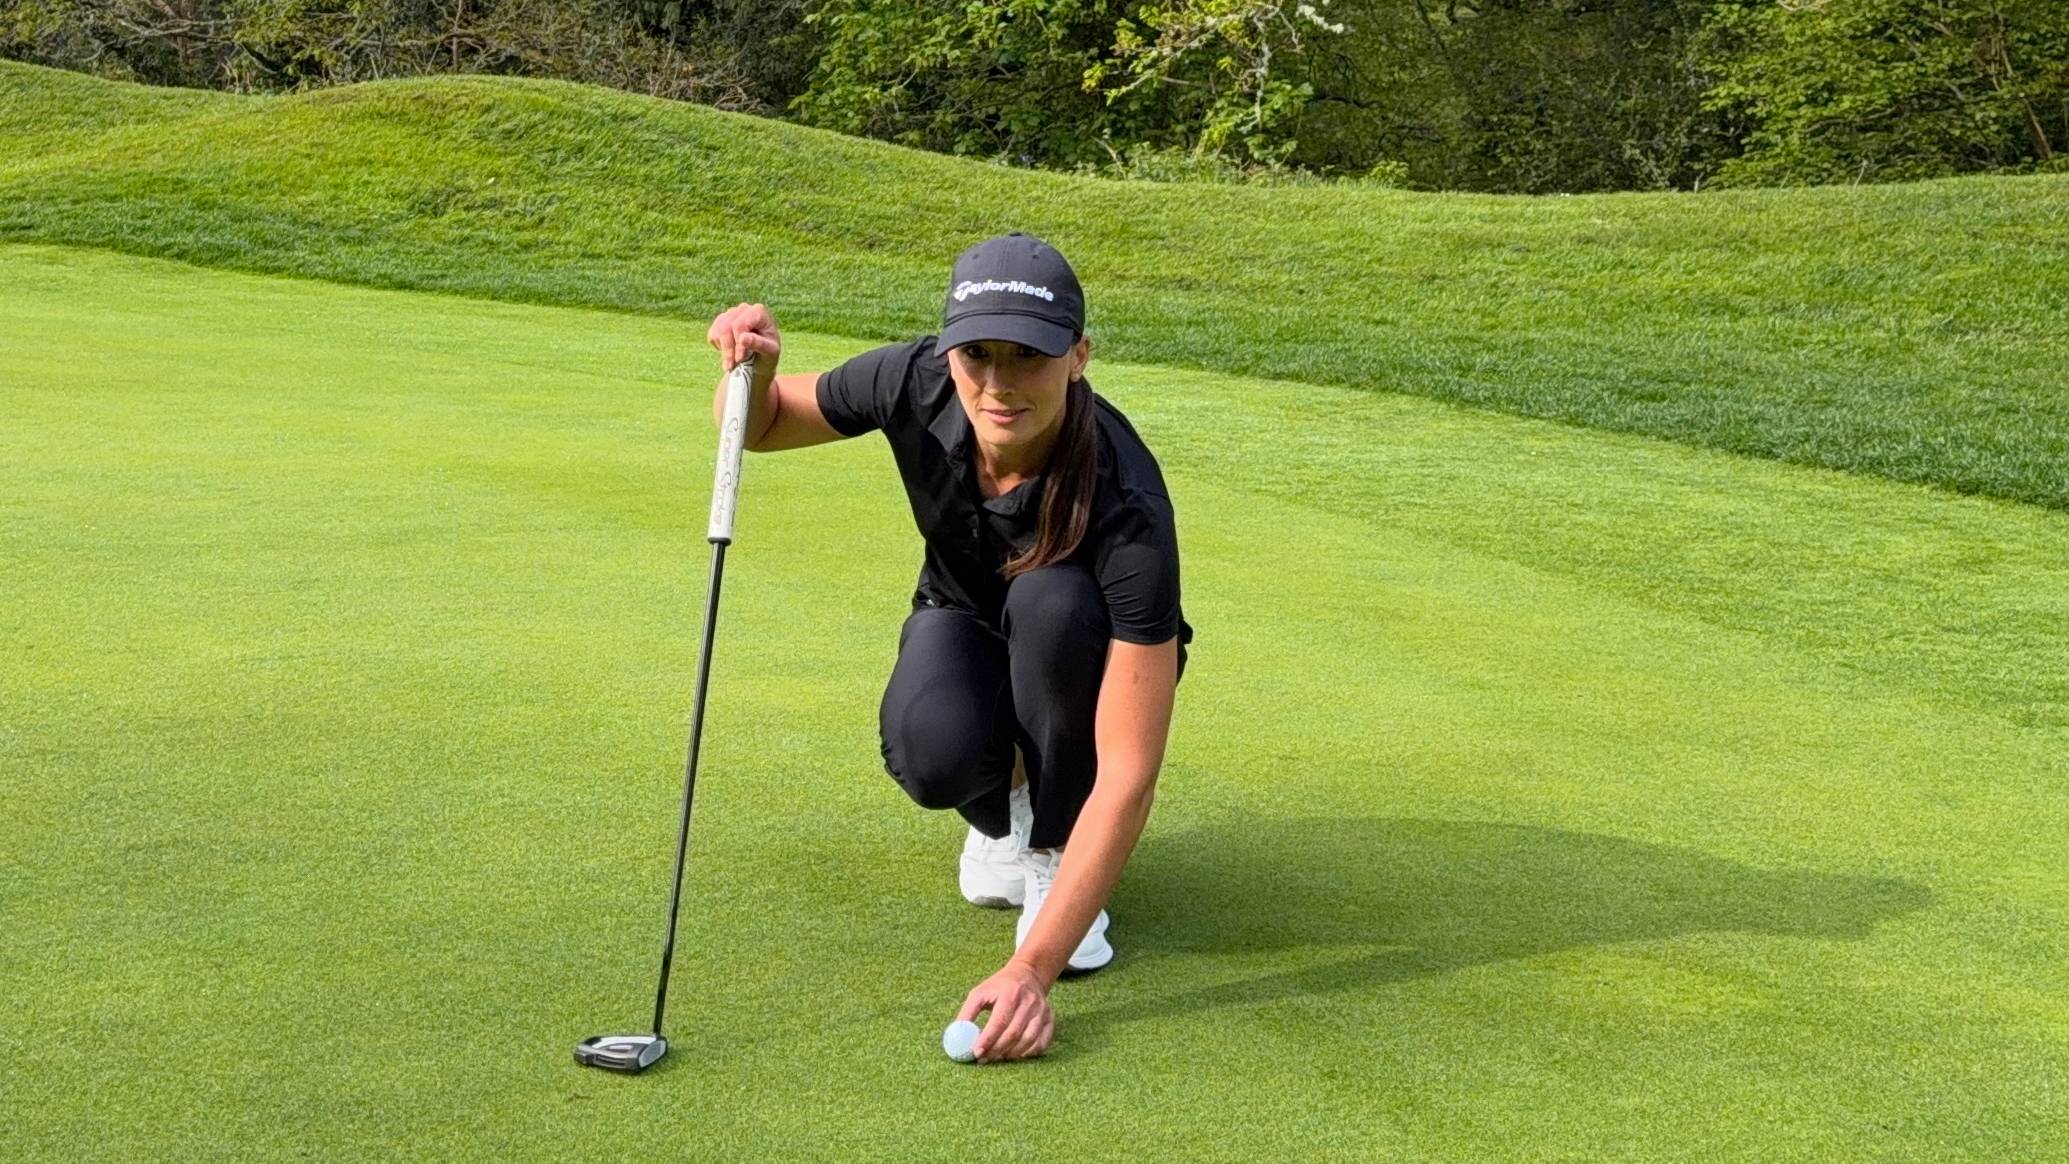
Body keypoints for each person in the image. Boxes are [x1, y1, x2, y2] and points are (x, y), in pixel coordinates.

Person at [703, 232, 1192, 1063]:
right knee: (928, 753)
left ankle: (1052, 848)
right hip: (963, 615)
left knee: (1051, 602)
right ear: (947, 351)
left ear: (1078, 356)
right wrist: (750, 371)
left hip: (1078, 648)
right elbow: (762, 424)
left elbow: (1130, 772)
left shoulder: (1127, 502)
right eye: (977, 355)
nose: (998, 384)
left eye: (1028, 356)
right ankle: (1010, 812)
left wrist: (1031, 971)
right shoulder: (911, 378)